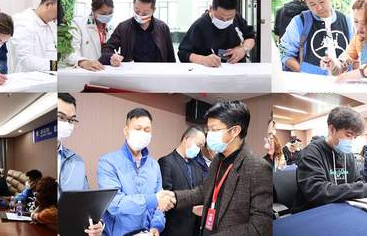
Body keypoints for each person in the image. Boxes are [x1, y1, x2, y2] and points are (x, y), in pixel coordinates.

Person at [166, 101, 273, 234]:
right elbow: (204, 190)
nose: (209, 135)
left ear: (235, 131)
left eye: (215, 129)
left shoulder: (257, 168)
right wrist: (174, 197)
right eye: (209, 129)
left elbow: (260, 226)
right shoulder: (217, 159)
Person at [294, 106, 367, 211]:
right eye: (348, 135)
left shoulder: (347, 155)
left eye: (354, 137)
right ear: (332, 129)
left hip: (341, 207)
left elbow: (358, 181)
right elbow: (317, 191)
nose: (351, 141)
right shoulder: (311, 153)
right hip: (313, 211)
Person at [97, 108, 167, 235]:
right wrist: (152, 199)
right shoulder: (108, 162)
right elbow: (116, 204)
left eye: (147, 130)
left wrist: (156, 225)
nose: (142, 133)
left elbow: (160, 204)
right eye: (138, 128)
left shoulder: (154, 165)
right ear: (126, 131)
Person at [279, 0, 353, 74]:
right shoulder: (300, 22)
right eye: (312, 4)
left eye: (322, 1)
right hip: (310, 82)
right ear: (305, 1)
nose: (319, 8)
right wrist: (303, 73)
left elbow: (355, 53)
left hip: (343, 80)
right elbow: (285, 53)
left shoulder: (346, 21)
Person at [178, 0, 256, 67]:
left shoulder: (237, 17)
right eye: (220, 18)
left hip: (236, 67)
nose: (225, 21)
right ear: (211, 8)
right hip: (211, 69)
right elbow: (182, 53)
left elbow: (250, 37)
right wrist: (203, 59)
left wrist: (243, 49)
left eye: (229, 18)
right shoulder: (199, 25)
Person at [100, 0, 175, 66]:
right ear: (133, 5)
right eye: (137, 11)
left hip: (156, 71)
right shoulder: (123, 27)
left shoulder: (163, 28)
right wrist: (111, 57)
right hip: (131, 72)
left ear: (153, 10)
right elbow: (107, 49)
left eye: (145, 13)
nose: (140, 15)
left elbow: (170, 57)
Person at [158, 127, 206, 236]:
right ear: (186, 139)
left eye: (201, 147)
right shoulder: (167, 162)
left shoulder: (197, 166)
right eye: (198, 145)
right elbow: (165, 199)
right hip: (174, 228)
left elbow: (199, 192)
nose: (199, 150)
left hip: (194, 229)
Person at [8, 0, 58, 72]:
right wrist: (54, 65)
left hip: (47, 75)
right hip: (26, 76)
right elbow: (25, 59)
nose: (56, 19)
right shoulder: (23, 21)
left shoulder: (51, 24)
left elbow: (51, 51)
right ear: (48, 5)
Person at [67, 0, 114, 71]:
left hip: (104, 70)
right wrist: (83, 62)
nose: (107, 16)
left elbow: (110, 50)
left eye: (110, 13)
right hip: (85, 71)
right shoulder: (78, 24)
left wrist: (114, 58)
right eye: (103, 13)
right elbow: (70, 53)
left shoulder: (110, 27)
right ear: (93, 11)